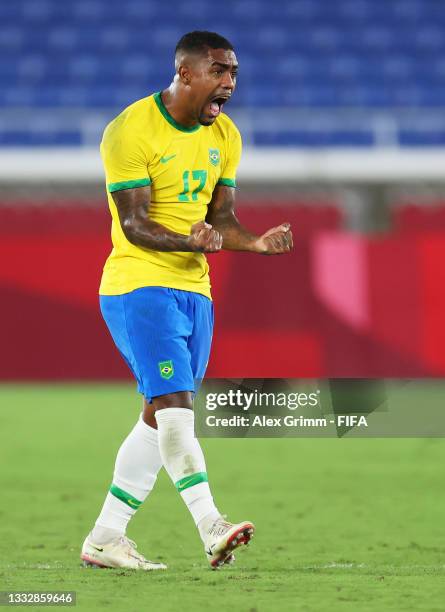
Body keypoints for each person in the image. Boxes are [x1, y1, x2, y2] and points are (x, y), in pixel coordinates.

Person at [81, 30, 293, 571]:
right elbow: (132, 226)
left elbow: (222, 223)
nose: (230, 83)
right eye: (220, 71)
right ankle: (211, 525)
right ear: (186, 73)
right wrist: (188, 240)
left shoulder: (226, 134)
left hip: (194, 291)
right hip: (138, 283)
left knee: (158, 416)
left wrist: (257, 243)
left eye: (235, 73)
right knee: (177, 413)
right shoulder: (130, 130)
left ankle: (106, 537)